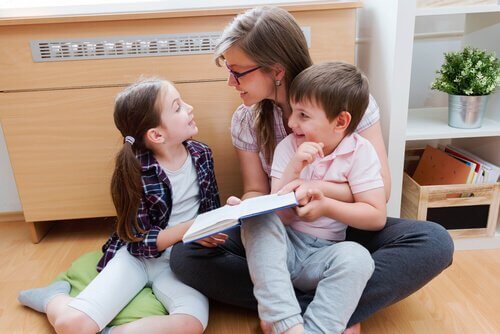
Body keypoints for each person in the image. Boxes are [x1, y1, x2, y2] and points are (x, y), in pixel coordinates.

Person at [170, 5, 454, 332]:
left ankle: (293, 307)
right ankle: (330, 307)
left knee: (434, 241)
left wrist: (320, 195)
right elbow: (258, 191)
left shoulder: (344, 103)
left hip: (344, 225)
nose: (230, 82)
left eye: (238, 71)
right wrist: (244, 208)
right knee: (185, 255)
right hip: (281, 234)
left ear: (276, 70)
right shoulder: (246, 120)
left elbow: (380, 194)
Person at [18, 78, 227, 334]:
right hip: (137, 259)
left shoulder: (201, 154)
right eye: (178, 106)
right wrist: (189, 228)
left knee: (191, 324)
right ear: (156, 134)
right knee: (72, 325)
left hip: (184, 261)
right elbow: (138, 241)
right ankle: (52, 297)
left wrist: (214, 225)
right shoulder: (135, 170)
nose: (190, 107)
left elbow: (210, 208)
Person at [245, 61, 387, 334]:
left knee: (358, 258)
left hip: (323, 255)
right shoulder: (290, 147)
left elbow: (376, 215)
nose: (291, 122)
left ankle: (315, 327)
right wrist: (295, 168)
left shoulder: (360, 152)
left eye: (303, 115)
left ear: (341, 121)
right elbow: (276, 209)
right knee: (257, 221)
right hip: (283, 248)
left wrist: (326, 206)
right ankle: (286, 322)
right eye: (292, 111)